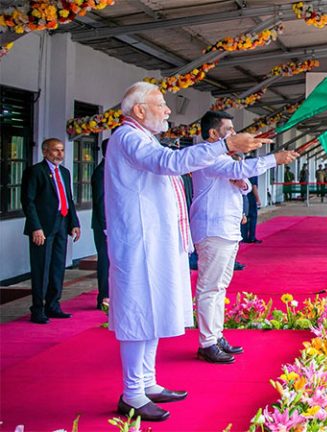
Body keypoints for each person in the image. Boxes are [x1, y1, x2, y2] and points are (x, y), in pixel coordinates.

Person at [105, 81, 266, 421]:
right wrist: (225, 145)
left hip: (157, 241)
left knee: (151, 313)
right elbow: (167, 162)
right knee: (138, 313)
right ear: (138, 111)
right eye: (161, 104)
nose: (167, 110)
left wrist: (227, 146)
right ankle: (132, 393)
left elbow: (169, 162)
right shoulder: (128, 137)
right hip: (140, 242)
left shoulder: (144, 137)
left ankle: (146, 382)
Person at [190, 110, 298, 364]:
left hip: (227, 230)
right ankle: (207, 342)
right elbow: (240, 169)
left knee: (220, 287)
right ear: (213, 134)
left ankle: (215, 335)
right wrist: (274, 159)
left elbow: (244, 182)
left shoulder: (225, 159)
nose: (234, 134)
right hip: (213, 230)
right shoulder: (207, 156)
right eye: (228, 130)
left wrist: (244, 183)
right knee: (209, 287)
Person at [21, 138, 81, 324]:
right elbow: (28, 202)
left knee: (57, 266)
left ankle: (53, 305)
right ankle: (38, 309)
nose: (60, 154)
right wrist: (36, 227)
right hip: (43, 227)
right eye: (55, 150)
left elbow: (68, 199)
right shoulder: (35, 172)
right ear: (45, 152)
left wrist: (74, 223)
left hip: (62, 223)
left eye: (62, 150)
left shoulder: (64, 172)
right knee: (41, 268)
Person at [91, 138, 109, 310]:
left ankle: (110, 294)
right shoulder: (101, 172)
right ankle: (104, 296)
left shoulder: (111, 170)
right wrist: (106, 225)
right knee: (105, 260)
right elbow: (101, 201)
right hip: (104, 225)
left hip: (112, 224)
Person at [242, 172, 262, 243]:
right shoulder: (253, 172)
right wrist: (258, 199)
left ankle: (244, 237)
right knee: (253, 217)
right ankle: (252, 237)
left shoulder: (245, 170)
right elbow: (254, 187)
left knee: (245, 216)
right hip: (251, 197)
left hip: (244, 197)